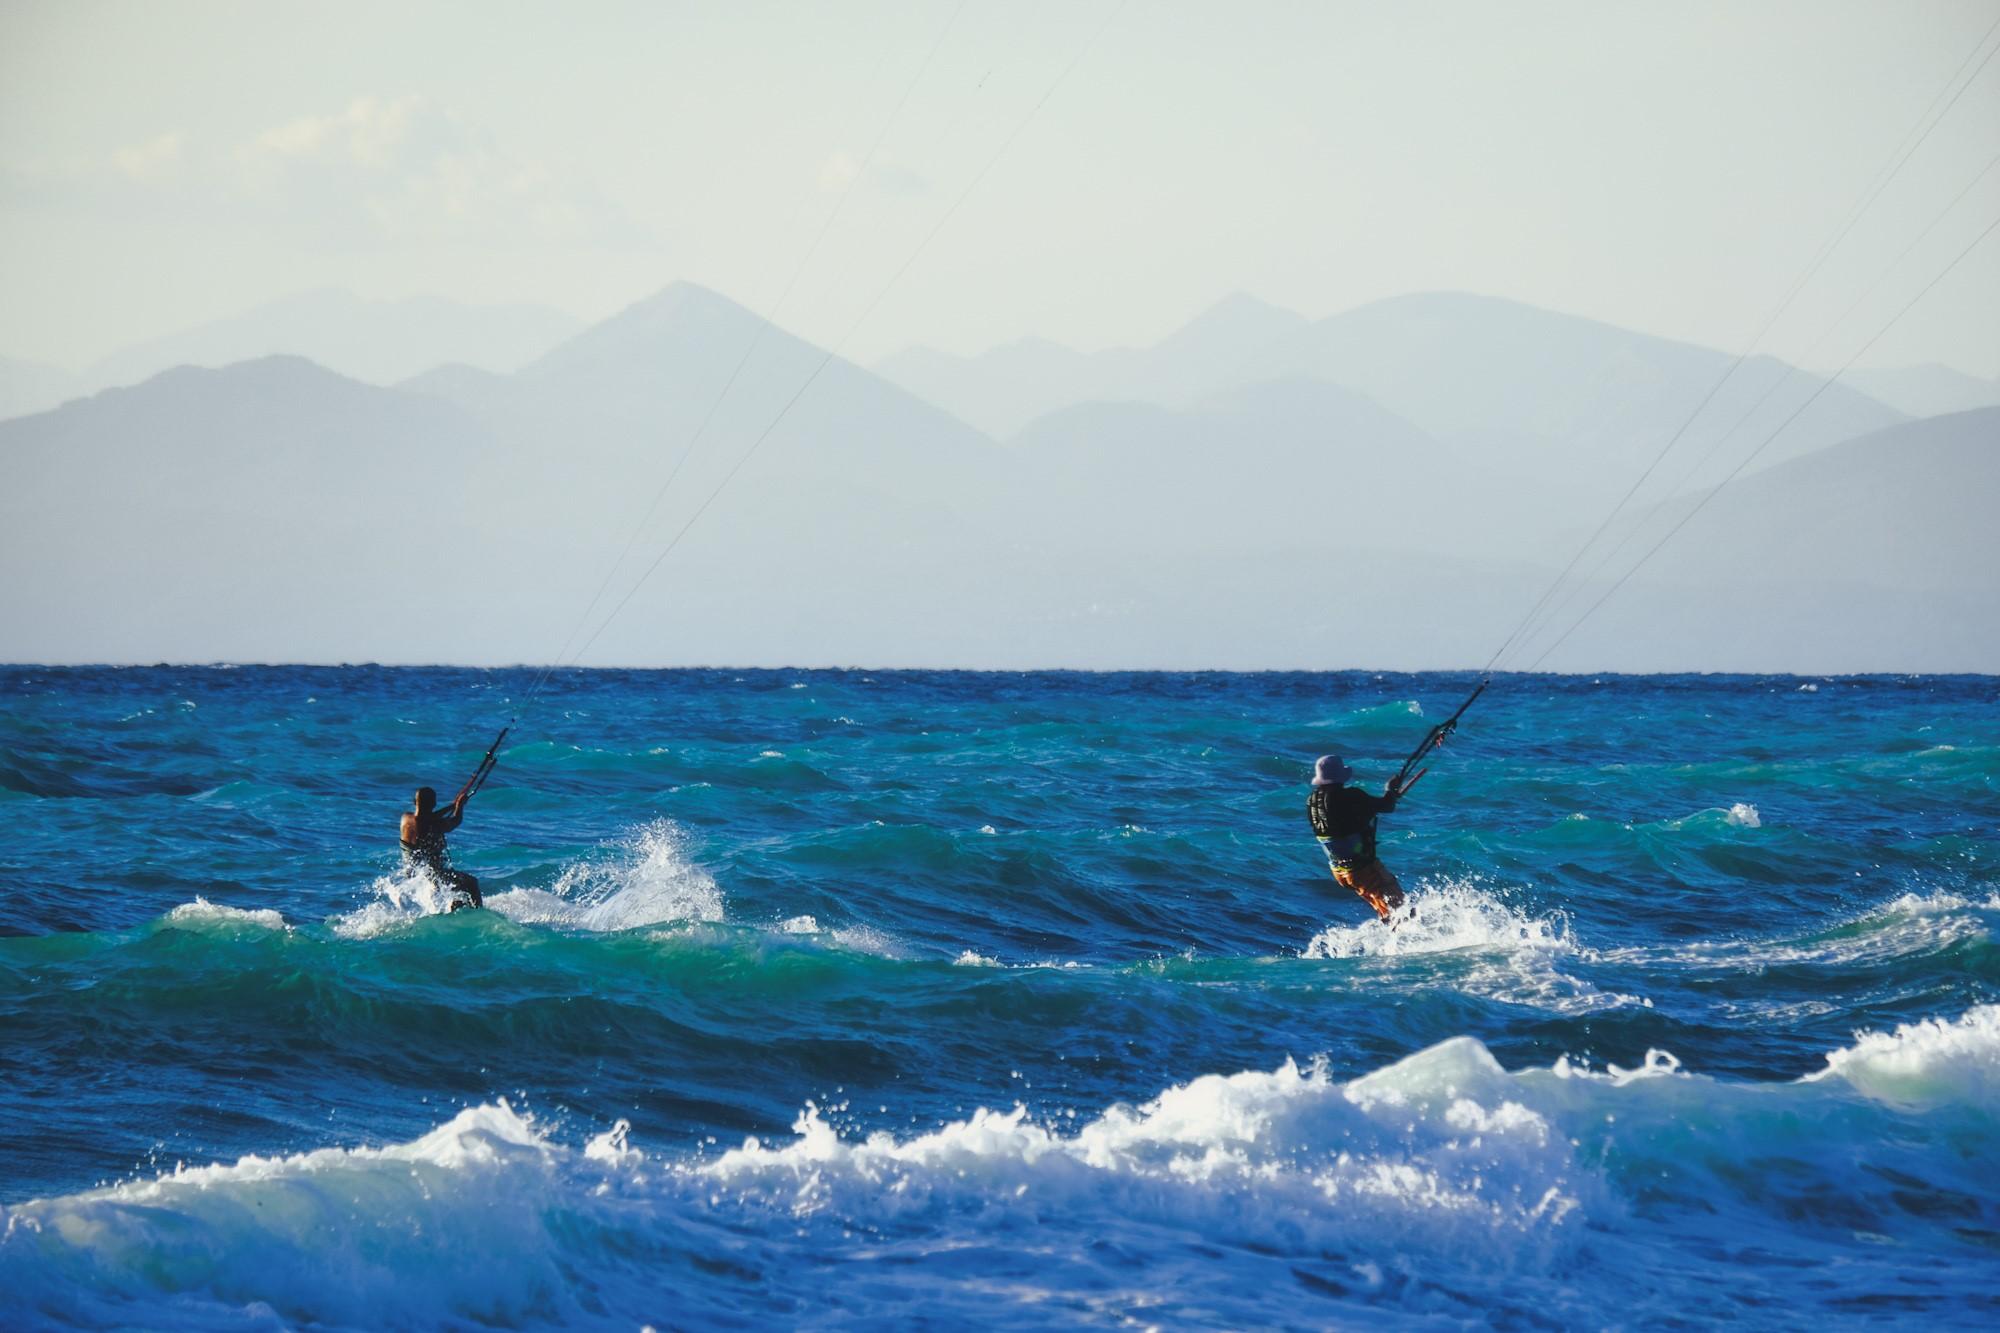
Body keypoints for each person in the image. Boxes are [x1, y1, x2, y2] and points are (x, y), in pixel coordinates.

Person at [1306, 754, 1405, 922]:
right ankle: (1401, 944)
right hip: (1362, 869)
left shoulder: (1312, 801)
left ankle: (1392, 942)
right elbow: (1387, 806)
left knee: (1386, 911)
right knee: (1400, 907)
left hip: (1340, 872)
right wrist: (1390, 789)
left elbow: (1339, 825)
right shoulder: (1351, 796)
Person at [399, 785, 482, 910]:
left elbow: (425, 817)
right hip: (434, 873)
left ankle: (456, 908)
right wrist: (459, 807)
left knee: (458, 894)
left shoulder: (406, 818)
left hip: (414, 871)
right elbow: (455, 821)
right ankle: (478, 914)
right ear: (434, 804)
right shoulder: (435, 825)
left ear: (414, 802)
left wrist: (452, 806)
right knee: (471, 883)